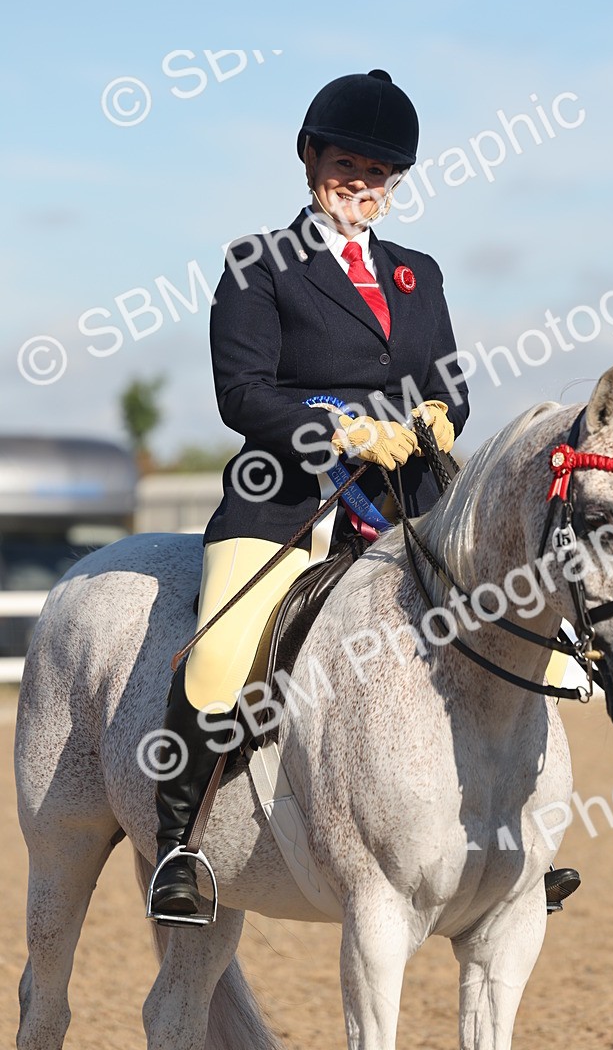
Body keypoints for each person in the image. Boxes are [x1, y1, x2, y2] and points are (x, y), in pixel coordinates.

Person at [148, 69, 578, 921]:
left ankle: (518, 840)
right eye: (348, 165)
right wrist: (338, 426)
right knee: (221, 659)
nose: (362, 185)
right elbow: (242, 393)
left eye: (379, 174)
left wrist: (436, 415)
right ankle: (179, 849)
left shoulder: (419, 273)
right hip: (287, 495)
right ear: (310, 160)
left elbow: (449, 386)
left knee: (541, 641)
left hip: (408, 500)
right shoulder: (259, 263)